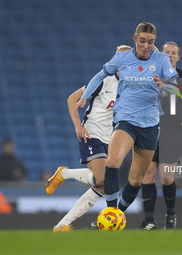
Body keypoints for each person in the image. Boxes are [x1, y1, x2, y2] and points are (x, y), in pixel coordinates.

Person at [75, 22, 178, 213]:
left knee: (135, 179)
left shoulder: (162, 60)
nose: (146, 45)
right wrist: (84, 96)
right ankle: (111, 212)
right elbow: (99, 75)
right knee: (112, 162)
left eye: (150, 42)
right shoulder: (122, 58)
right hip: (126, 121)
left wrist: (164, 85)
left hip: (150, 125)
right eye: (142, 41)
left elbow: (176, 88)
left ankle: (118, 214)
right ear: (134, 39)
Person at [45, 45, 132, 232]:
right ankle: (64, 175)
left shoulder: (132, 86)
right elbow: (72, 99)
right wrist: (78, 126)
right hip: (91, 134)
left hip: (112, 139)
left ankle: (61, 225)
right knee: (103, 180)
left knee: (102, 186)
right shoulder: (104, 80)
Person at [141, 42, 182, 230]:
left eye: (174, 53)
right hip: (151, 128)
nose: (171, 55)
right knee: (148, 175)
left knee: (166, 177)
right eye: (167, 52)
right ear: (161, 54)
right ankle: (149, 220)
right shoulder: (150, 74)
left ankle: (171, 215)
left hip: (174, 130)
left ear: (178, 57)